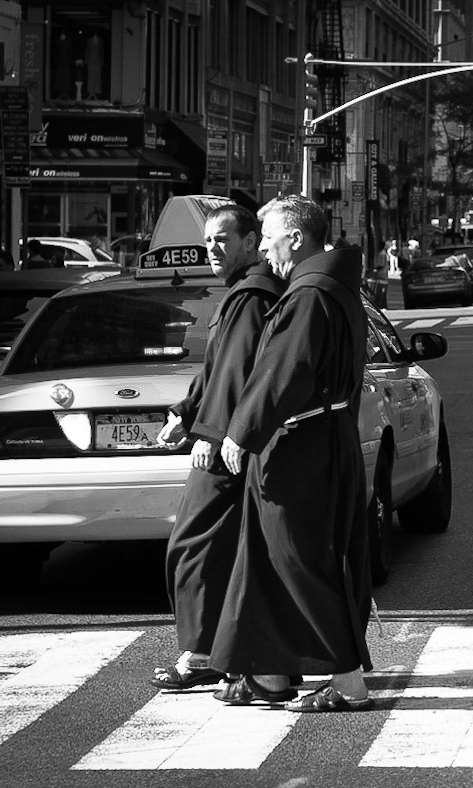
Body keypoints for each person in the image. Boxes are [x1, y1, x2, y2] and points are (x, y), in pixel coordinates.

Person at [211, 195, 374, 710]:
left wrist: (241, 432)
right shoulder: (328, 286)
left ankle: (348, 681)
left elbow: (284, 372)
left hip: (303, 447)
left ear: (296, 239)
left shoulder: (309, 293)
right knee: (269, 560)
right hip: (314, 441)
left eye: (268, 238)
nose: (262, 248)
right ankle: (274, 674)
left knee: (299, 561)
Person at [149, 205, 286, 692]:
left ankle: (204, 652)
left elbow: (235, 375)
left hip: (230, 443)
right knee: (224, 548)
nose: (212, 249)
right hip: (232, 436)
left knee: (193, 545)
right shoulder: (242, 294)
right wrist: (184, 413)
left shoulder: (251, 295)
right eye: (208, 241)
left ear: (251, 242)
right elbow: (217, 369)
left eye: (223, 240)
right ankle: (235, 654)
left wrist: (209, 434)